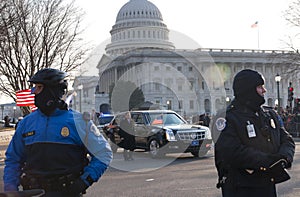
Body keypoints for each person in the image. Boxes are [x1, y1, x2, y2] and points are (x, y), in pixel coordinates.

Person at [4, 68, 113, 196]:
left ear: (52, 91)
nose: (34, 92)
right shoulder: (26, 123)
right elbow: (13, 159)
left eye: (39, 88)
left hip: (67, 192)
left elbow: (103, 153)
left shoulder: (79, 122)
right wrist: (10, 188)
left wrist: (84, 182)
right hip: (33, 192)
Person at [215, 69, 295, 197]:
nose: (264, 90)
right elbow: (232, 152)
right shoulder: (226, 118)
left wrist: (284, 157)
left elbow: (286, 140)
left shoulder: (269, 114)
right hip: (241, 188)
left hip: (267, 185)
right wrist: (269, 161)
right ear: (248, 90)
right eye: (259, 87)